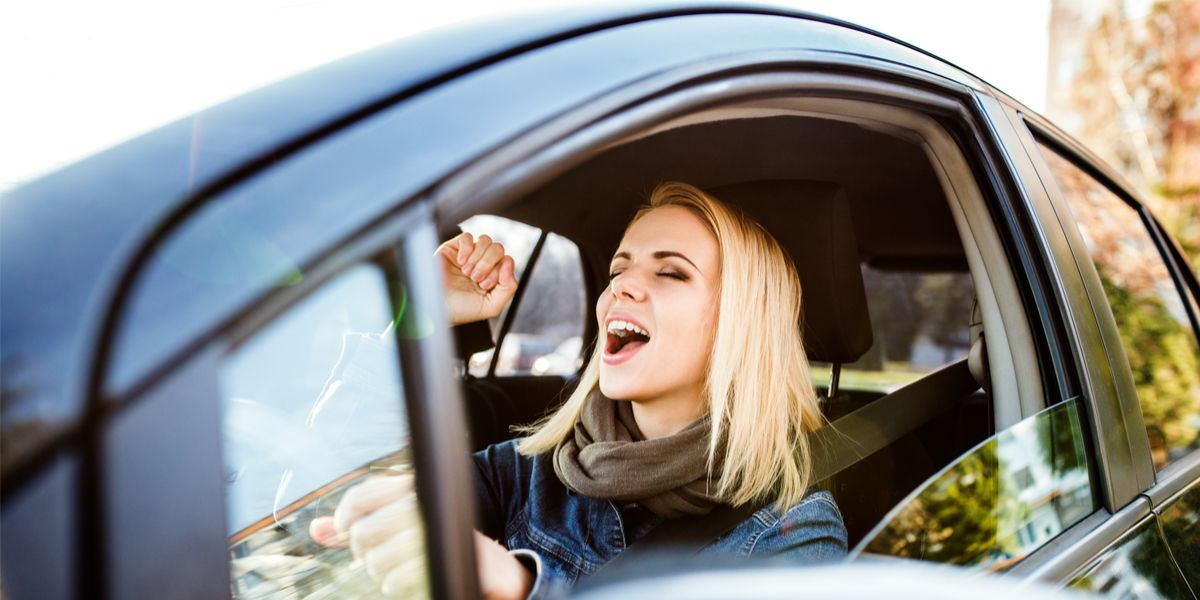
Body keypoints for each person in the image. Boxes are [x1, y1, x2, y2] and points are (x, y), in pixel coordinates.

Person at [310, 182, 848, 599]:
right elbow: (335, 492)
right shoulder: (538, 469)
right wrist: (421, 318)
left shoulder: (793, 532)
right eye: (620, 267)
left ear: (742, 325)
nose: (621, 286)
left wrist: (520, 587)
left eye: (671, 273)